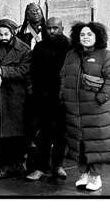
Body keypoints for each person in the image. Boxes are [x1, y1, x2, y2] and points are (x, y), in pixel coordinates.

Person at [60, 22, 110, 192]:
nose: (85, 37)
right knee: (79, 143)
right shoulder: (71, 55)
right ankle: (83, 173)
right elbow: (63, 76)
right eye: (82, 35)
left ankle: (95, 176)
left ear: (97, 36)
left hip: (96, 110)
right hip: (74, 110)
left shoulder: (105, 55)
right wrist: (63, 95)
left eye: (89, 34)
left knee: (96, 144)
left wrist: (100, 98)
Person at [0, 18, 32, 179]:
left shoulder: (23, 49)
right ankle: (1, 161)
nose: (3, 37)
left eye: (6, 34)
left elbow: (24, 70)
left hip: (16, 95)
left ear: (13, 33)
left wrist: (2, 71)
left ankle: (14, 163)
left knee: (15, 132)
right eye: (0, 34)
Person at [25, 17, 71, 182]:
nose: (52, 31)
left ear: (62, 28)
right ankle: (40, 167)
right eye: (49, 28)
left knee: (61, 135)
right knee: (42, 134)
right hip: (42, 97)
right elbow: (31, 70)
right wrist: (32, 89)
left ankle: (57, 166)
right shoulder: (40, 46)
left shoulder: (69, 47)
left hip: (62, 97)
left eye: (55, 28)